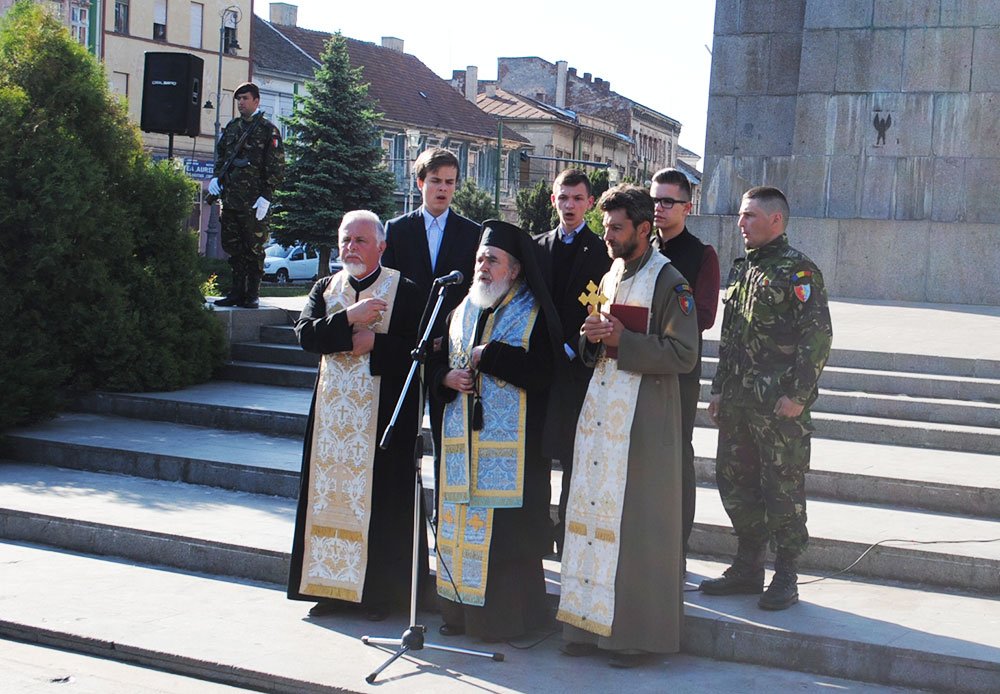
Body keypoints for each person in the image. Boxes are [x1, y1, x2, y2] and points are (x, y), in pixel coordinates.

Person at [557, 185, 699, 668]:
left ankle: (634, 636)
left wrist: (624, 338)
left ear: (643, 229)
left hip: (643, 420)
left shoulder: (670, 281)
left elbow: (684, 354)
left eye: (616, 228)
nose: (607, 236)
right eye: (605, 227)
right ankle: (584, 624)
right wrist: (593, 336)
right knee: (594, 519)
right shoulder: (612, 271)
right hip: (602, 414)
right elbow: (598, 337)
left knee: (635, 527)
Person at [287, 210, 428, 622]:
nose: (350, 247)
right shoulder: (325, 287)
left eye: (360, 241)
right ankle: (329, 590)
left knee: (383, 502)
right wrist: (349, 318)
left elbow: (423, 348)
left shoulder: (406, 289)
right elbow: (305, 335)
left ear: (381, 246)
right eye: (345, 240)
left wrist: (376, 345)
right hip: (333, 419)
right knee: (328, 499)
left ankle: (381, 597)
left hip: (381, 418)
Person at [700, 186, 832, 611]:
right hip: (739, 403)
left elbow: (818, 337)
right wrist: (719, 388)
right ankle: (748, 566)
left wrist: (799, 395)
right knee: (734, 483)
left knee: (782, 490)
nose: (741, 223)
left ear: (776, 220)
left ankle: (787, 574)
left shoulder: (799, 273)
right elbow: (731, 338)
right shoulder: (742, 269)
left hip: (778, 408)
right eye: (741, 215)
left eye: (750, 215)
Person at [429, 220, 560, 642]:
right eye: (480, 258)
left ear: (515, 269)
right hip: (460, 449)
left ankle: (502, 623)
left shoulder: (535, 314)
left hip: (512, 455)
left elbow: (546, 374)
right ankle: (457, 615)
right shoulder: (458, 310)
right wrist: (446, 379)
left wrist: (494, 356)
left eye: (493, 260)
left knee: (505, 540)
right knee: (459, 528)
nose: (483, 267)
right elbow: (431, 365)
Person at [382, 148, 481, 504]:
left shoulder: (471, 234)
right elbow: (389, 289)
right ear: (420, 182)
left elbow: (474, 293)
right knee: (405, 437)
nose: (443, 189)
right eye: (436, 181)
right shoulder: (396, 230)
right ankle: (403, 513)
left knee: (447, 440)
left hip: (451, 353)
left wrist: (450, 339)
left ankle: (444, 514)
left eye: (450, 182)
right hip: (408, 349)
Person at [534, 169, 612, 557]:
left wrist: (570, 347)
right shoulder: (536, 247)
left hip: (576, 368)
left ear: (590, 203)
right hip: (538, 369)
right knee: (537, 454)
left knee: (571, 455)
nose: (569, 206)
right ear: (553, 201)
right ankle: (536, 528)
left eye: (577, 199)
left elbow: (598, 306)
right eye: (563, 198)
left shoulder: (600, 252)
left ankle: (566, 530)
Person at [649, 168, 720, 562]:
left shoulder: (701, 254)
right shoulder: (640, 247)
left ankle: (677, 545)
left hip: (678, 371)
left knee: (677, 456)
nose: (658, 208)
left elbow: (704, 315)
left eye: (667, 201)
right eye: (654, 200)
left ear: (687, 208)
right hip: (637, 367)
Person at [210, 82, 285, 309]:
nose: (241, 103)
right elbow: (222, 158)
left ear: (256, 101)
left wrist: (266, 195)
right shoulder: (232, 128)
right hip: (232, 200)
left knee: (253, 248)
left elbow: (276, 167)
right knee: (234, 249)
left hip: (254, 203)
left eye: (245, 98)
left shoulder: (267, 130)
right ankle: (236, 292)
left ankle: (251, 293)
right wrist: (216, 179)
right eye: (238, 99)